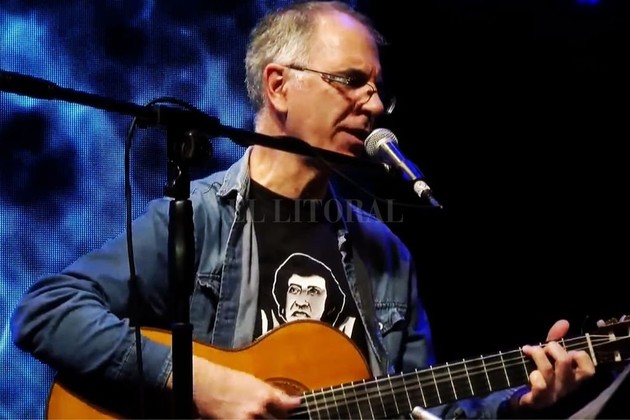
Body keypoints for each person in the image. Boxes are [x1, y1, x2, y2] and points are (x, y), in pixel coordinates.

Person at [11, 1, 601, 419]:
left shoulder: (385, 253)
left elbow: (422, 409)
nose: (375, 104)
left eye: (378, 88)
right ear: (278, 86)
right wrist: (195, 382)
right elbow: (45, 311)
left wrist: (519, 405)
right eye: (351, 81)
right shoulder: (201, 217)